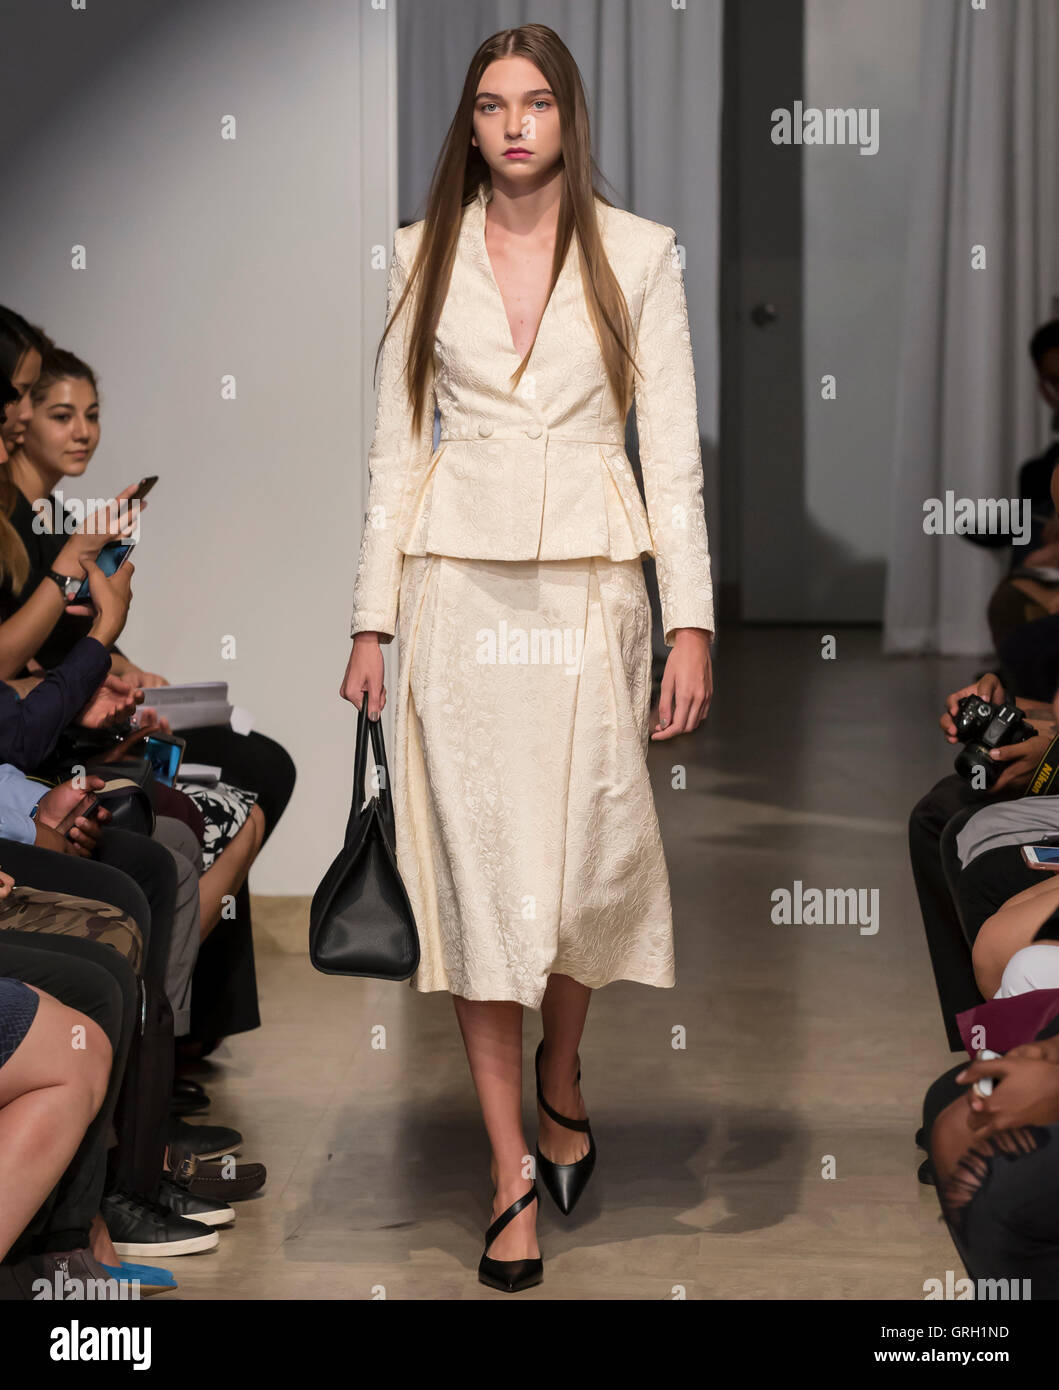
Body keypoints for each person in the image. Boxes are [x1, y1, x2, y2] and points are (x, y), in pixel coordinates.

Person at [340, 24, 714, 1292]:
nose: (513, 124)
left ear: (569, 116)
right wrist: (370, 621)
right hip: (456, 593)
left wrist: (691, 618)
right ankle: (508, 1171)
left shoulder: (640, 253)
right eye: (492, 103)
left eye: (536, 101)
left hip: (593, 594)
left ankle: (563, 1070)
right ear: (472, 119)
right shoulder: (412, 255)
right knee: (484, 880)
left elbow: (671, 448)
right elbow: (395, 452)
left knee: (573, 867)